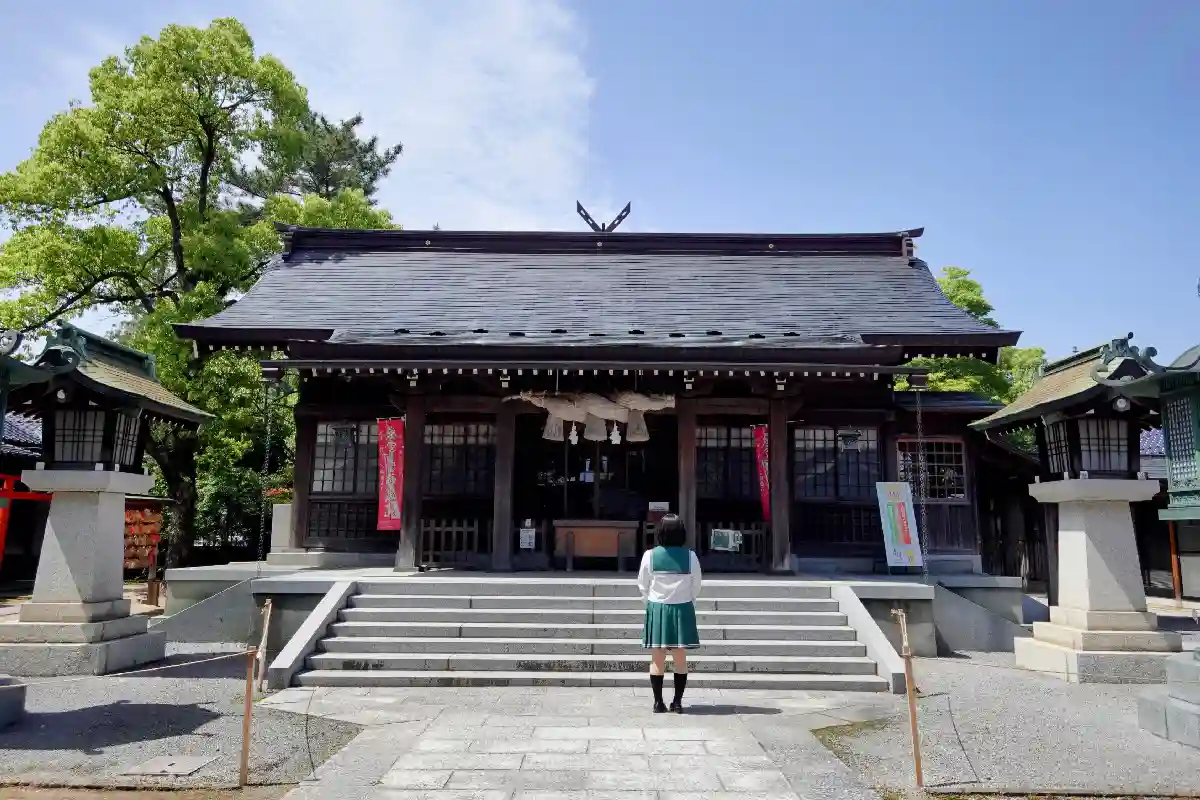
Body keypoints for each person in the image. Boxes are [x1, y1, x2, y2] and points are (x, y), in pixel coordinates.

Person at [637, 513, 702, 713]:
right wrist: (687, 599)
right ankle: (678, 702)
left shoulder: (650, 555)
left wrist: (651, 601)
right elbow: (696, 585)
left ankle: (658, 702)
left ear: (660, 532)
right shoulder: (691, 556)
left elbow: (643, 585)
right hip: (682, 608)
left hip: (657, 608)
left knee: (657, 658)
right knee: (680, 658)